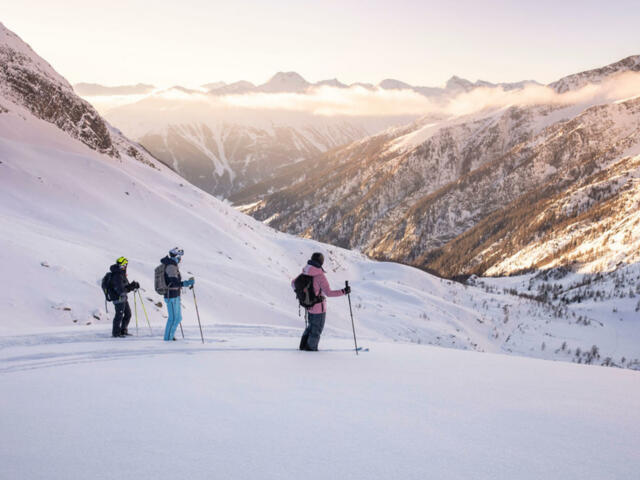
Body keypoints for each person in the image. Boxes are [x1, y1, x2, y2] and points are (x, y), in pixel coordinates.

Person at [294, 252, 350, 351]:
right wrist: (344, 291)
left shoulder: (305, 271)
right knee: (316, 330)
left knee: (311, 327)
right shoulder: (320, 276)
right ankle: (311, 350)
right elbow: (328, 293)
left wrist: (303, 295)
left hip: (309, 307)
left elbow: (293, 283)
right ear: (321, 262)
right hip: (319, 309)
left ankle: (303, 346)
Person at [160, 247, 194, 341]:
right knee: (173, 318)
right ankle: (168, 339)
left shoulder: (173, 265)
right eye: (180, 257)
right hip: (171, 295)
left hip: (175, 295)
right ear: (177, 256)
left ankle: (170, 336)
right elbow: (174, 282)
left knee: (178, 318)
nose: (181, 259)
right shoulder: (171, 266)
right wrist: (186, 283)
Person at [109, 256, 139, 338]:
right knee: (119, 315)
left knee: (128, 314)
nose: (126, 266)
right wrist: (131, 287)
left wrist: (133, 285)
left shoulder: (121, 274)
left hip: (123, 298)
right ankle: (115, 333)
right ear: (121, 265)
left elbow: (125, 287)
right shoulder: (117, 275)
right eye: (125, 264)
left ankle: (123, 330)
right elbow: (121, 290)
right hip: (118, 298)